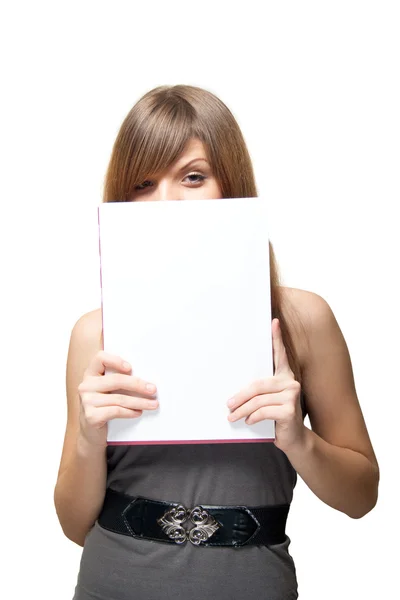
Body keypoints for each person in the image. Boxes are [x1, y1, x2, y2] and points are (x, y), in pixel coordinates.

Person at [54, 84, 380, 600]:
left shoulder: (303, 319)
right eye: (142, 182)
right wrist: (89, 442)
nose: (164, 202)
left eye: (192, 177)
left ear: (231, 184)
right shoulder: (94, 334)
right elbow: (74, 527)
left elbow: (362, 496)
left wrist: (297, 438)